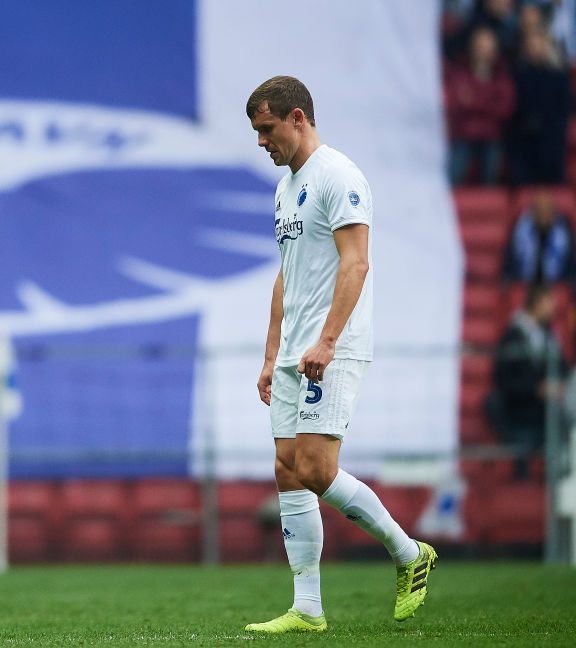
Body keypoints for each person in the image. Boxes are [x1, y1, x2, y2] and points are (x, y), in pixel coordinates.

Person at [244, 76, 436, 634]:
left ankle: (408, 554)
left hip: (334, 345)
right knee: (287, 468)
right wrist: (269, 353)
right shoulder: (285, 189)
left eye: (266, 129)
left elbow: (356, 264)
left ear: (297, 117)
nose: (261, 142)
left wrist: (327, 340)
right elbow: (286, 277)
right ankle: (307, 609)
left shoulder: (340, 176)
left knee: (315, 466)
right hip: (293, 352)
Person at [488, 283, 565, 478]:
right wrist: (536, 388)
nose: (554, 308)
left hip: (545, 412)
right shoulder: (513, 336)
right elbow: (503, 380)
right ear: (537, 303)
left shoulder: (548, 336)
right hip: (519, 411)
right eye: (549, 302)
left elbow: (562, 368)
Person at [444, 26, 517, 185]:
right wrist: (488, 101)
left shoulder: (502, 75)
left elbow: (505, 108)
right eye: (480, 47)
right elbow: (455, 104)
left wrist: (473, 101)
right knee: (455, 169)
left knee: (493, 166)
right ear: (472, 47)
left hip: (491, 137)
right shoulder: (459, 72)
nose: (484, 52)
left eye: (488, 47)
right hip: (463, 136)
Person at [508, 20, 571, 184]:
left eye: (538, 43)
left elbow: (563, 111)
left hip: (550, 144)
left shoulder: (559, 76)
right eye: (530, 44)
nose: (534, 48)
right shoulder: (517, 74)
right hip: (524, 144)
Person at [502, 189, 575, 284]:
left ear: (554, 212)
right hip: (526, 284)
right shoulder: (520, 230)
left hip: (556, 284)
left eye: (547, 209)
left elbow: (571, 267)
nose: (543, 213)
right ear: (532, 211)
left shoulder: (564, 232)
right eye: (539, 209)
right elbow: (510, 265)